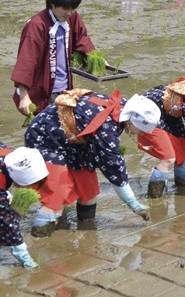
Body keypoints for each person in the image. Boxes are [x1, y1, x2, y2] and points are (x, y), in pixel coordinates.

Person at [24, 89, 151, 236]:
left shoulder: (120, 108)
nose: (141, 134)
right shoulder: (107, 125)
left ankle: (87, 231)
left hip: (71, 141)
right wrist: (132, 203)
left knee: (88, 186)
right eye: (141, 130)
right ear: (132, 120)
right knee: (56, 193)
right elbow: (113, 165)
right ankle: (42, 238)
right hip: (45, 137)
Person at [12, 0, 96, 116]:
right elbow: (26, 62)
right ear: (52, 4)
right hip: (43, 90)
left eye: (73, 8)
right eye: (65, 8)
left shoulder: (72, 18)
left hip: (64, 90)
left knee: (65, 131)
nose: (68, 13)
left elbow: (82, 39)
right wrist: (24, 96)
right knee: (43, 132)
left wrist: (94, 58)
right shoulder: (37, 25)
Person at [0, 146, 49, 267]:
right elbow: (8, 223)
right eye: (28, 185)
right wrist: (22, 253)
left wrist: (5, 194)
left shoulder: (11, 155)